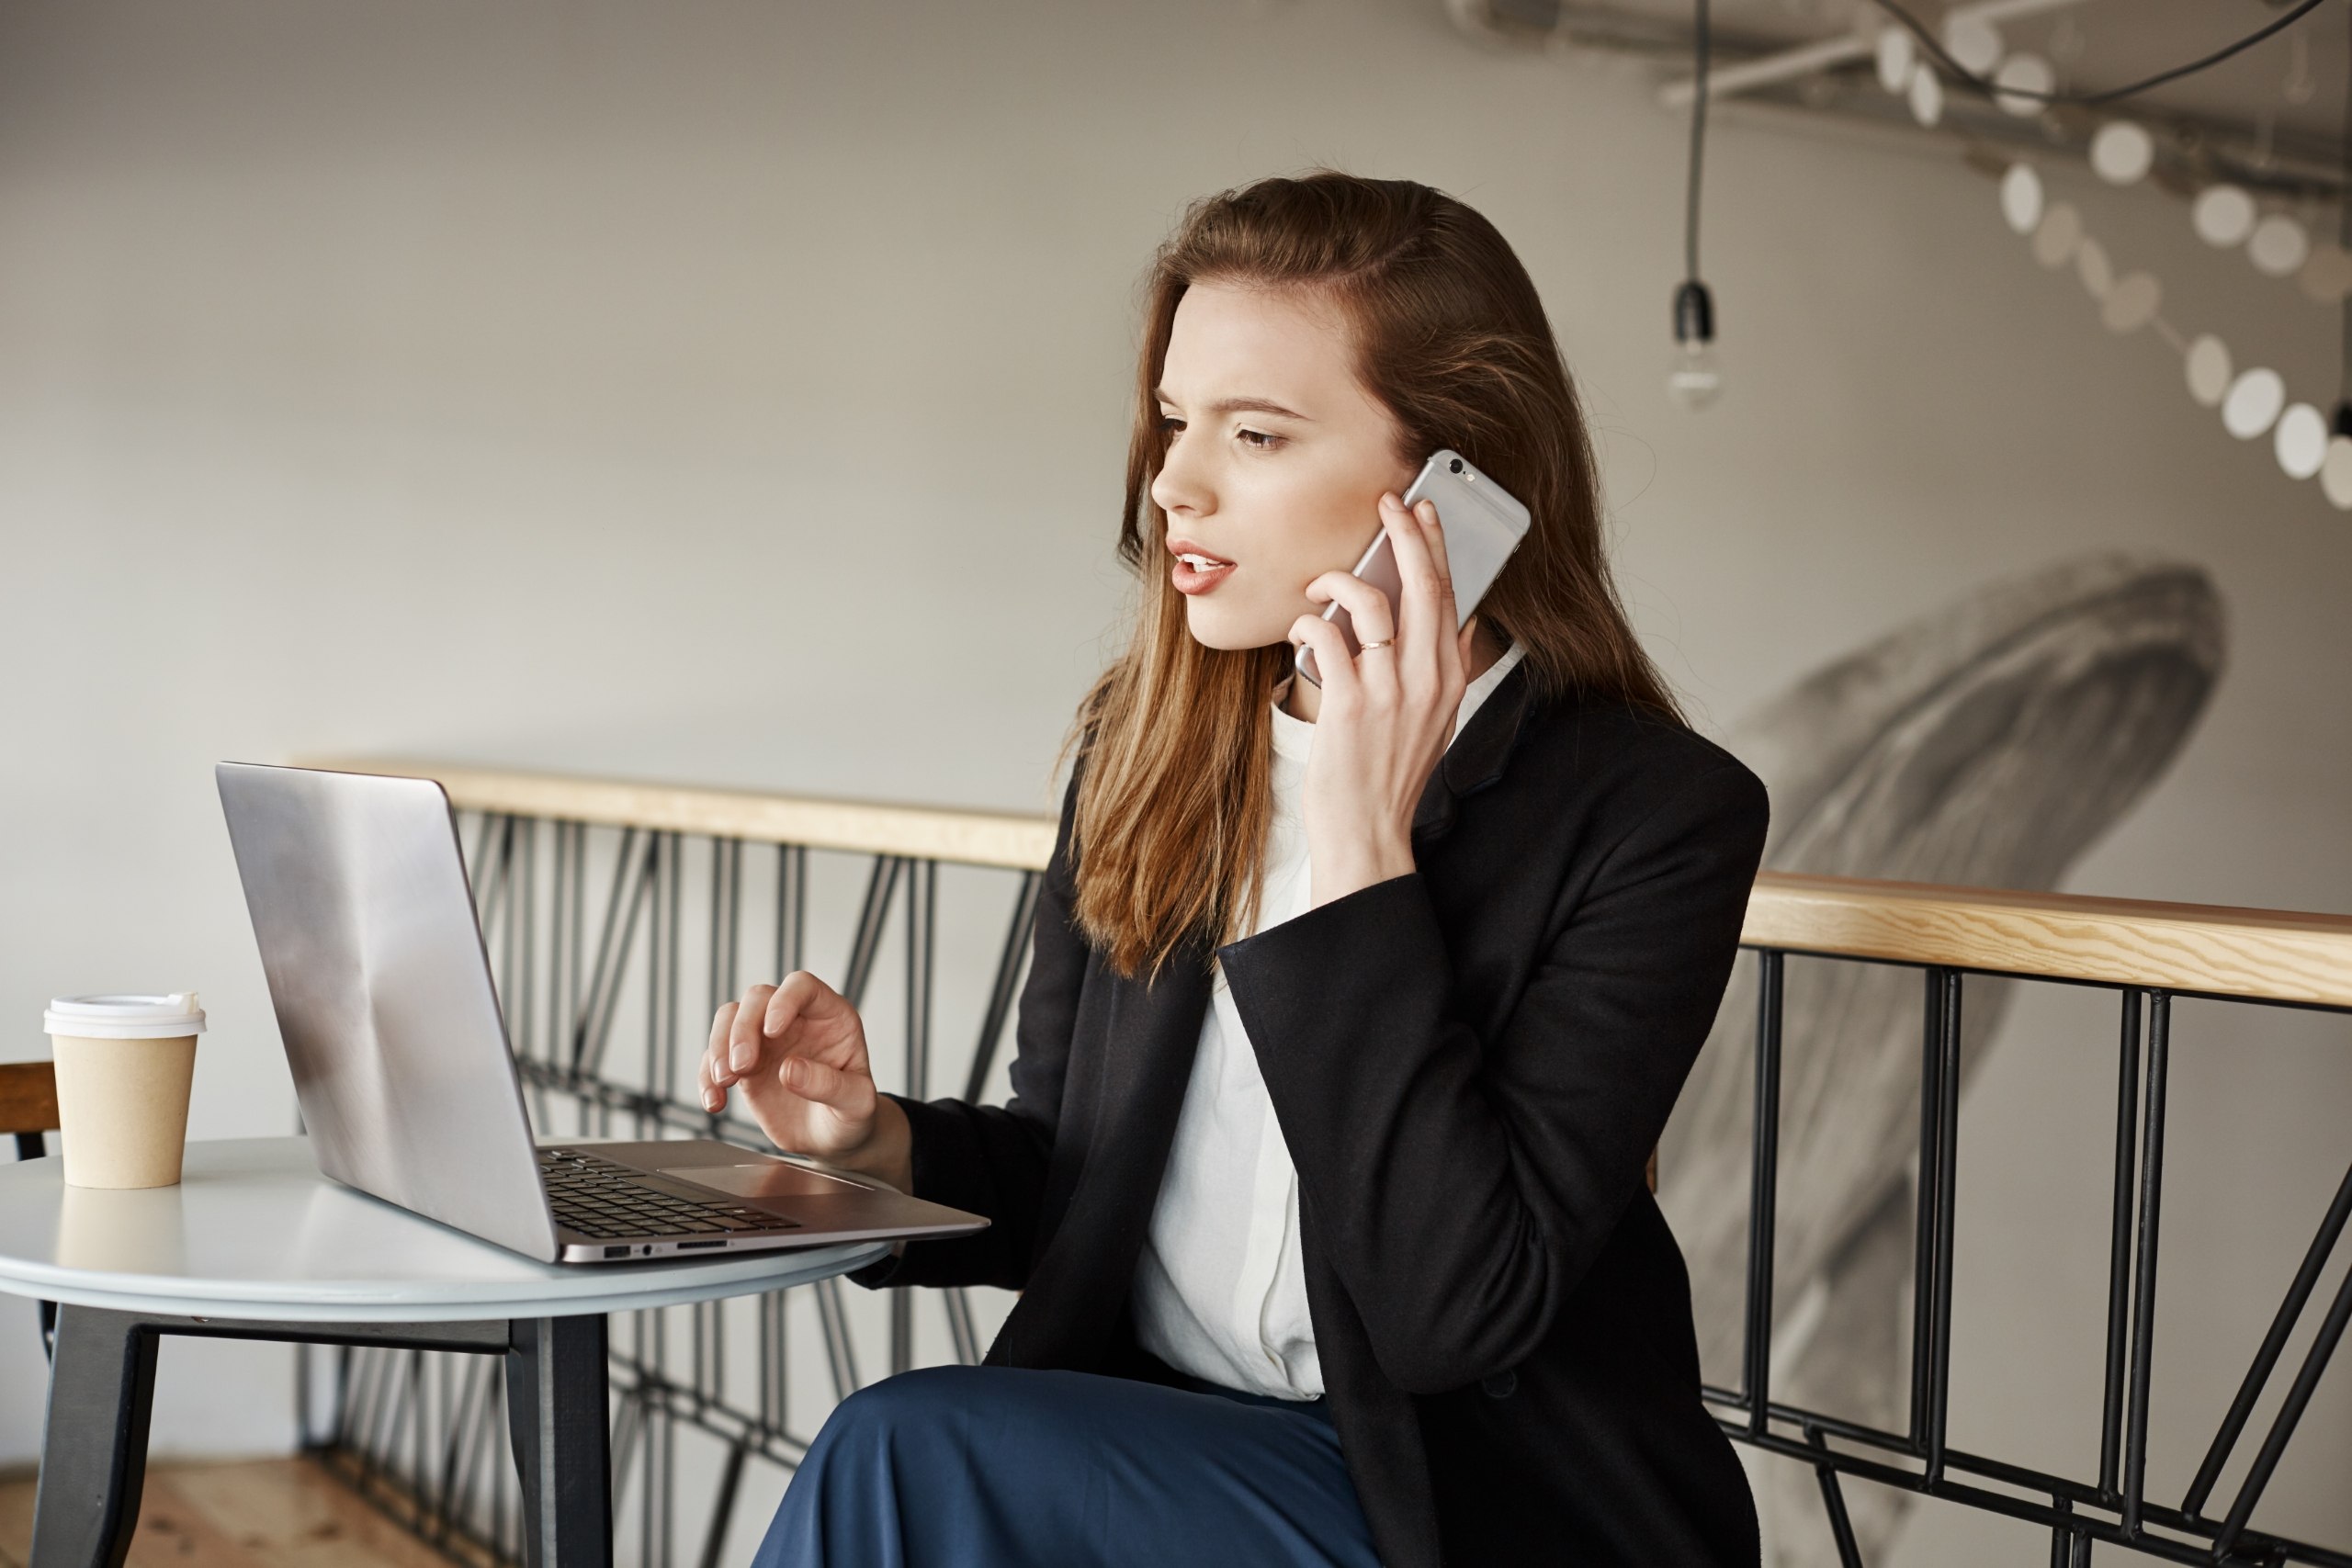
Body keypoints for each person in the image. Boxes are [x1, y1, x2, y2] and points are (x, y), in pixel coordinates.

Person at [707, 171, 1769, 1568]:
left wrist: (1361, 845)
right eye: (1172, 423)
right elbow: (1076, 1181)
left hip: (1463, 1507)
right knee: (920, 1456)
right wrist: (873, 1142)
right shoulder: (1142, 748)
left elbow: (1456, 1310)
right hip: (1173, 1447)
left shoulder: (1653, 816)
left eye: (1255, 434)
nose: (1173, 486)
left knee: (900, 1450)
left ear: (1452, 489)